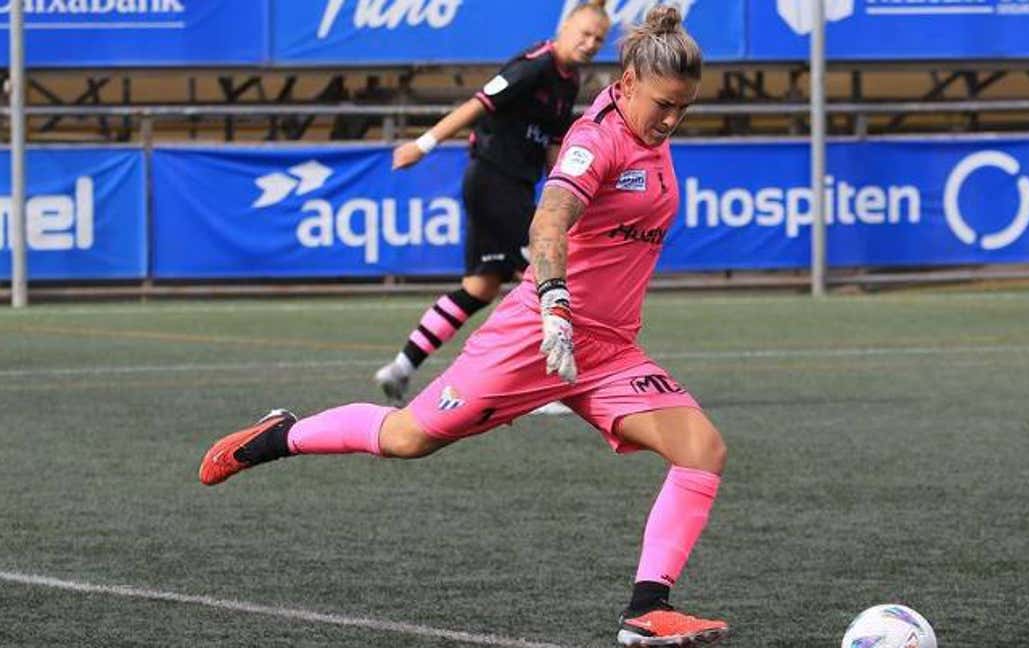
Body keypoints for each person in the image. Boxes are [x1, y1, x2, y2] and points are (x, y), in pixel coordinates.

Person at [199, 7, 729, 647]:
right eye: (665, 104)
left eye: (684, 108)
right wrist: (554, 304)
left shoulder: (653, 136)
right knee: (406, 438)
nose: (672, 119)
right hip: (538, 337)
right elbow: (548, 221)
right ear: (626, 83)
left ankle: (646, 611)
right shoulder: (600, 138)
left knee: (702, 450)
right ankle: (280, 435)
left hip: (609, 350)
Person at [373, 1, 611, 409]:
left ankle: (401, 367)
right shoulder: (535, 64)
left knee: (480, 287)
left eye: (598, 39)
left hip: (515, 188)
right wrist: (423, 144)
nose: (589, 43)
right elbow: (477, 103)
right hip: (492, 180)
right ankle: (541, 384)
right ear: (565, 27)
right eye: (584, 33)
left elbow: (554, 147)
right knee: (541, 274)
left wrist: (572, 193)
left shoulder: (568, 80)